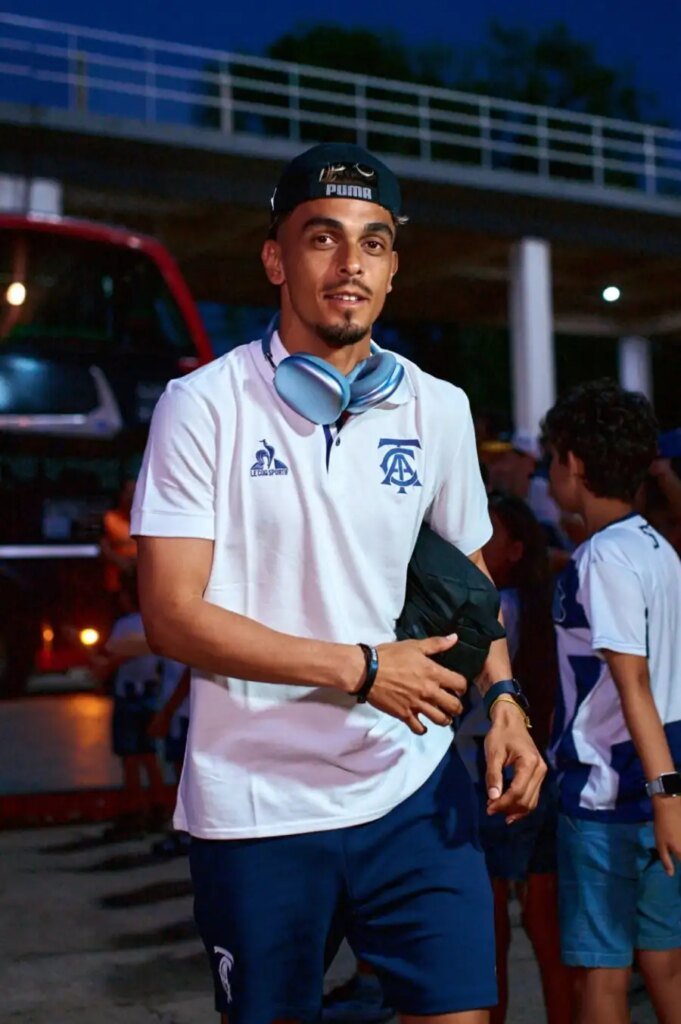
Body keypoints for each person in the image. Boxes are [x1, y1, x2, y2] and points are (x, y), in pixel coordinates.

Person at [131, 142, 545, 1024]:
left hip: (412, 785)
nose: (350, 262)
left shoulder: (438, 407)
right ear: (276, 258)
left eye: (373, 241)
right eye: (322, 238)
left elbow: (468, 575)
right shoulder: (202, 406)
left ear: (392, 269)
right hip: (259, 804)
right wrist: (364, 668)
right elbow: (170, 614)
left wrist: (504, 700)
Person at [542, 379, 681, 1024]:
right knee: (666, 962)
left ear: (573, 463)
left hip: (610, 793)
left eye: (552, 459)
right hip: (660, 779)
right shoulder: (657, 548)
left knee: (602, 973)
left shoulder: (602, 558)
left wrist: (665, 798)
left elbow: (633, 687)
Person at [455, 495, 574, 1024]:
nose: (475, 543)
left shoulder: (499, 607)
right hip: (538, 770)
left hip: (490, 774)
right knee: (545, 927)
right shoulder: (539, 603)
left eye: (491, 533)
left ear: (517, 548)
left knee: (491, 930)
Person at [91, 568, 167, 834]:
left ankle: (133, 810)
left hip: (128, 697)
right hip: (151, 694)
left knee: (130, 758)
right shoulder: (154, 622)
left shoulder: (124, 626)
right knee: (150, 757)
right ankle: (159, 807)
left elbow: (111, 657)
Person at [101, 479, 137, 601]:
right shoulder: (109, 519)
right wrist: (124, 564)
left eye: (135, 493)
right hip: (116, 584)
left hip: (142, 585)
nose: (132, 497)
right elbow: (103, 548)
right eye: (129, 493)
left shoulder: (148, 521)